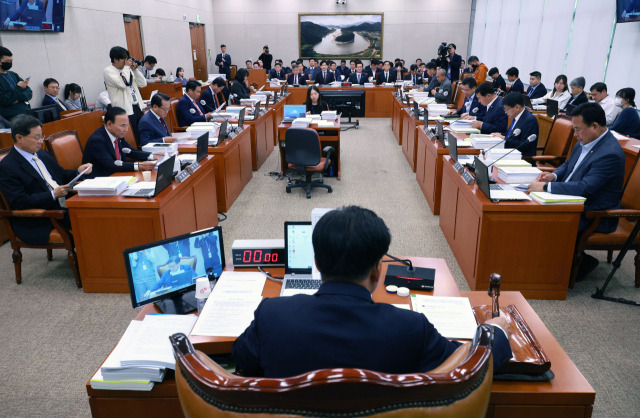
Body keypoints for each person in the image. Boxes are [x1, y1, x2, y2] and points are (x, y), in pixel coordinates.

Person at [232, 206, 513, 378]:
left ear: (316, 263)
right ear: (378, 270)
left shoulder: (272, 314)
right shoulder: (411, 328)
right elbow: (471, 364)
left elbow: (241, 360)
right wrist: (496, 331)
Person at [529, 103, 625, 235]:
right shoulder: (586, 139)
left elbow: (585, 188)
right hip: (570, 200)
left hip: (592, 214)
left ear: (594, 126)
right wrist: (554, 176)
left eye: (577, 129)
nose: (574, 134)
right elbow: (569, 164)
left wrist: (546, 187)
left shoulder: (610, 154)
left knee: (536, 221)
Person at [0, 114, 92, 245]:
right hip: (42, 216)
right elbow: (20, 202)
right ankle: (88, 261)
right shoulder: (8, 166)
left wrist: (78, 170)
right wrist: (52, 194)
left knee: (96, 209)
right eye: (36, 137)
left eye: (41, 136)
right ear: (19, 138)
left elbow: (61, 174)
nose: (41, 141)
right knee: (88, 219)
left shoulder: (42, 154)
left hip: (63, 203)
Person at [82, 106, 156, 178]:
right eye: (122, 126)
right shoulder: (97, 140)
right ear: (109, 124)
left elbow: (131, 152)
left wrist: (152, 156)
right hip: (102, 180)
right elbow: (111, 165)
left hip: (119, 176)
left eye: (127, 125)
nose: (126, 130)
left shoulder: (117, 135)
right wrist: (139, 166)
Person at [103, 46, 146, 145]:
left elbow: (143, 84)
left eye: (127, 58)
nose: (126, 61)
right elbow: (122, 84)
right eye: (123, 58)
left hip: (136, 107)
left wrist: (135, 70)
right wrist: (127, 68)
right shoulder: (109, 71)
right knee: (132, 138)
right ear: (115, 59)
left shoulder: (127, 70)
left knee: (140, 136)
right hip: (124, 110)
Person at [491, 92, 538, 157]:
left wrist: (504, 138)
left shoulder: (530, 120)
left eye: (507, 109)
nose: (505, 112)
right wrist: (500, 135)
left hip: (522, 158)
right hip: (510, 153)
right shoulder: (516, 117)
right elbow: (511, 136)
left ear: (517, 107)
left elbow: (525, 146)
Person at [0, 46, 32, 120]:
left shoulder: (13, 74)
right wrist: (18, 88)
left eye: (11, 60)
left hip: (27, 113)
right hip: (11, 118)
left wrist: (17, 99)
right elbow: (3, 100)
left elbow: (29, 92)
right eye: (7, 61)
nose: (10, 63)